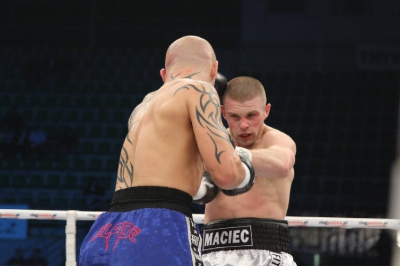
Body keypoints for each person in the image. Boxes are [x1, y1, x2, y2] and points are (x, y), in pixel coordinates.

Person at [79, 36, 255, 266]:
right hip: (158, 229)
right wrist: (244, 168)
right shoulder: (201, 89)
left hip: (108, 231)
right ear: (214, 69)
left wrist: (201, 187)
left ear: (164, 74)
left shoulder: (141, 107)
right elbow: (227, 175)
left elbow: (157, 178)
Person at [196, 76, 297, 266]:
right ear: (223, 113)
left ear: (266, 111)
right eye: (235, 116)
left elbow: (283, 164)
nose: (244, 125)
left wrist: (230, 154)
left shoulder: (276, 140)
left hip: (266, 254)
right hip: (212, 253)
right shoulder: (209, 143)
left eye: (252, 115)